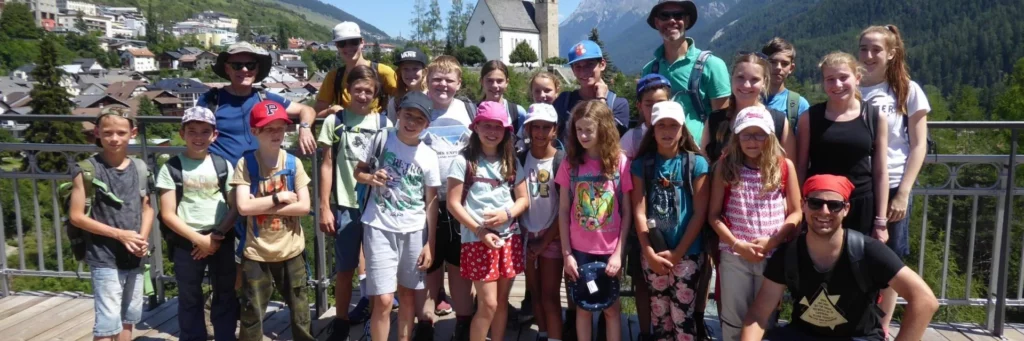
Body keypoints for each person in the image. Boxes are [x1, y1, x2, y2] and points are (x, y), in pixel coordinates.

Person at [740, 175, 939, 341]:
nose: (824, 211)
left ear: (846, 209)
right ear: (803, 205)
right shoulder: (788, 253)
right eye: (815, 203)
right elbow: (759, 314)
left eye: (834, 205)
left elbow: (925, 300)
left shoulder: (868, 251)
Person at [858, 24, 932, 334]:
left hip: (892, 184)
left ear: (891, 53)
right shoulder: (850, 86)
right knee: (855, 255)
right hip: (859, 184)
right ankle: (856, 320)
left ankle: (882, 328)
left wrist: (903, 192)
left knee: (889, 261)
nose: (869, 55)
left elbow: (919, 145)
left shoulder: (907, 89)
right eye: (863, 48)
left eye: (876, 49)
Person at [707, 107, 802, 340]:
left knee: (765, 318)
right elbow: (714, 215)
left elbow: (796, 212)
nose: (752, 140)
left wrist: (774, 240)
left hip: (772, 256)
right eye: (745, 134)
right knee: (733, 317)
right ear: (736, 136)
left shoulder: (783, 166)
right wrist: (736, 244)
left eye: (759, 134)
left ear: (770, 136)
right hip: (734, 254)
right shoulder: (725, 166)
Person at [355, 91, 440, 341]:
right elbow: (358, 172)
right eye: (407, 115)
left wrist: (430, 243)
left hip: (414, 230)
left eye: (419, 119)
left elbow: (431, 202)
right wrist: (371, 178)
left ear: (427, 124)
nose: (411, 122)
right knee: (382, 299)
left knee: (407, 295)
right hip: (379, 225)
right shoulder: (381, 139)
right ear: (398, 113)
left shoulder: (429, 156)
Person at [316, 65, 392, 339]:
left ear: (376, 94)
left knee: (376, 268)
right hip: (345, 204)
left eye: (368, 91)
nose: (362, 95)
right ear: (348, 90)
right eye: (358, 90)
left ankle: (374, 316)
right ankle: (341, 319)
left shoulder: (385, 125)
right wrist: (325, 206)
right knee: (345, 268)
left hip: (376, 207)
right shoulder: (334, 122)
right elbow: (326, 165)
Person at [447, 101, 530, 341]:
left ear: (505, 131)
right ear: (476, 127)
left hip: (508, 238)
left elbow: (523, 199)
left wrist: (507, 214)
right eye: (486, 126)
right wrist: (481, 230)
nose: (492, 132)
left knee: (501, 302)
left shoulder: (512, 161)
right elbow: (453, 204)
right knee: (489, 304)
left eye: (497, 126)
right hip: (476, 240)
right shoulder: (463, 161)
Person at [232, 100, 314, 341]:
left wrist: (263, 206)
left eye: (281, 128)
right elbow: (243, 207)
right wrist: (281, 197)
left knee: (300, 310)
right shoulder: (246, 164)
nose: (277, 133)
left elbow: (304, 206)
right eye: (269, 129)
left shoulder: (293, 163)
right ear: (255, 132)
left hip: (291, 250)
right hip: (257, 253)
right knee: (251, 312)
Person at [69, 108, 153, 341]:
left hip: (134, 255)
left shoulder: (139, 168)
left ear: (132, 133)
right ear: (97, 133)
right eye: (107, 133)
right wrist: (120, 235)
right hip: (103, 255)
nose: (114, 138)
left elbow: (147, 208)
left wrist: (141, 239)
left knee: (128, 319)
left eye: (121, 132)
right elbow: (76, 216)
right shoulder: (87, 170)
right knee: (107, 323)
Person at [157, 107, 239, 341]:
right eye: (192, 131)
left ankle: (225, 336)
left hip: (220, 236)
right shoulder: (171, 167)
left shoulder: (223, 165)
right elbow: (168, 213)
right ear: (182, 133)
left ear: (215, 135)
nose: (198, 137)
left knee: (225, 292)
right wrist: (199, 240)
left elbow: (234, 206)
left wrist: (216, 235)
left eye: (205, 131)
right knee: (189, 294)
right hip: (186, 240)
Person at [629, 101, 709, 340]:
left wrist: (677, 253)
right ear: (652, 130)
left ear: (682, 129)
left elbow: (699, 213)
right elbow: (639, 211)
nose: (667, 131)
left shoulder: (696, 163)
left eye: (673, 125)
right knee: (660, 315)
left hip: (688, 253)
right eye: (661, 125)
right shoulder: (642, 165)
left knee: (682, 317)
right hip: (653, 252)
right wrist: (649, 253)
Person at [557, 100, 633, 341]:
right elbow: (563, 211)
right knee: (583, 307)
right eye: (579, 130)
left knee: (611, 309)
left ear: (604, 128)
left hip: (610, 250)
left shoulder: (620, 163)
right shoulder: (570, 164)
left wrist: (618, 254)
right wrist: (567, 253)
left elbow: (628, 212)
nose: (583, 135)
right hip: (580, 251)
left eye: (589, 129)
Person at [797, 52, 889, 240]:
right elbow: (800, 167)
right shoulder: (810, 117)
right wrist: (798, 210)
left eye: (843, 77)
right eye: (830, 79)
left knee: (856, 264)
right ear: (823, 83)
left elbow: (880, 171)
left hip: (860, 203)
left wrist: (881, 220)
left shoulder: (874, 117)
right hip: (819, 205)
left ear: (857, 78)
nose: (837, 85)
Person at [420, 55, 478, 341]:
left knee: (459, 267)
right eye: (437, 79)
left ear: (459, 83)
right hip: (425, 201)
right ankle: (425, 323)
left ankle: (463, 324)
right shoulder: (418, 108)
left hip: (461, 202)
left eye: (449, 80)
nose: (443, 84)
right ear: (427, 82)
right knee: (429, 266)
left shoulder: (468, 109)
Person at [620, 73, 672, 341]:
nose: (655, 108)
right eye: (649, 103)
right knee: (641, 277)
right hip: (638, 218)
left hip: (670, 219)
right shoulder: (631, 138)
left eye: (661, 102)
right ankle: (644, 331)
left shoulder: (677, 132)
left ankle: (669, 330)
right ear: (639, 106)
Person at [204, 42, 317, 163]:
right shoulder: (212, 99)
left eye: (250, 65)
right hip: (222, 175)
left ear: (257, 69)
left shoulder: (264, 98)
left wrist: (304, 128)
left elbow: (307, 110)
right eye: (237, 65)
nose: (244, 69)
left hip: (259, 175)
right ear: (227, 69)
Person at [643, 0, 731, 144]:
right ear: (657, 22)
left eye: (678, 15)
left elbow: (722, 122)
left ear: (687, 20)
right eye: (665, 16)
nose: (672, 20)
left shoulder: (712, 65)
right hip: (660, 155)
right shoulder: (649, 70)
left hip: (700, 157)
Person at [519, 103, 566, 341]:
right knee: (534, 292)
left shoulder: (561, 161)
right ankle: (544, 334)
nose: (539, 132)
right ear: (527, 129)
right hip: (527, 235)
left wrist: (545, 240)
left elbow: (565, 209)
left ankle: (555, 337)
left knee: (550, 295)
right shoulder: (519, 158)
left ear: (554, 130)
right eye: (534, 127)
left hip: (553, 237)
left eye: (545, 127)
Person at [702, 52, 796, 163]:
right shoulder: (715, 120)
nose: (746, 85)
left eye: (754, 79)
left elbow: (789, 170)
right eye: (740, 77)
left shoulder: (778, 121)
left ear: (764, 82)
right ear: (731, 78)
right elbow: (703, 168)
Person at [315, 21, 399, 117]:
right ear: (337, 46)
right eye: (342, 43)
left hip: (377, 129)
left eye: (353, 42)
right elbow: (317, 111)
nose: (348, 47)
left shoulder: (382, 72)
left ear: (362, 42)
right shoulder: (333, 77)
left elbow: (404, 100)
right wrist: (331, 111)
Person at [553, 40, 631, 141]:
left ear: (602, 64)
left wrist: (601, 100)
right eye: (578, 66)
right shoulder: (564, 101)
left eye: (590, 64)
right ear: (573, 70)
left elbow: (608, 138)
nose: (584, 71)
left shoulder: (617, 104)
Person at [761, 37, 810, 131]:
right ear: (762, 63)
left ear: (791, 68)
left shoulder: (799, 104)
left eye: (784, 64)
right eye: (772, 62)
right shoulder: (749, 98)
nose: (778, 67)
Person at [480, 60, 527, 133]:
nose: (495, 85)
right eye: (489, 81)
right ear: (482, 82)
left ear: (507, 82)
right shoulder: (473, 111)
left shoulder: (518, 113)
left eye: (499, 81)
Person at [386, 47, 429, 123]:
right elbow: (391, 128)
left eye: (415, 69)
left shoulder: (432, 97)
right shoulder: (395, 102)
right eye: (405, 69)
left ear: (424, 72)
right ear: (400, 72)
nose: (410, 73)